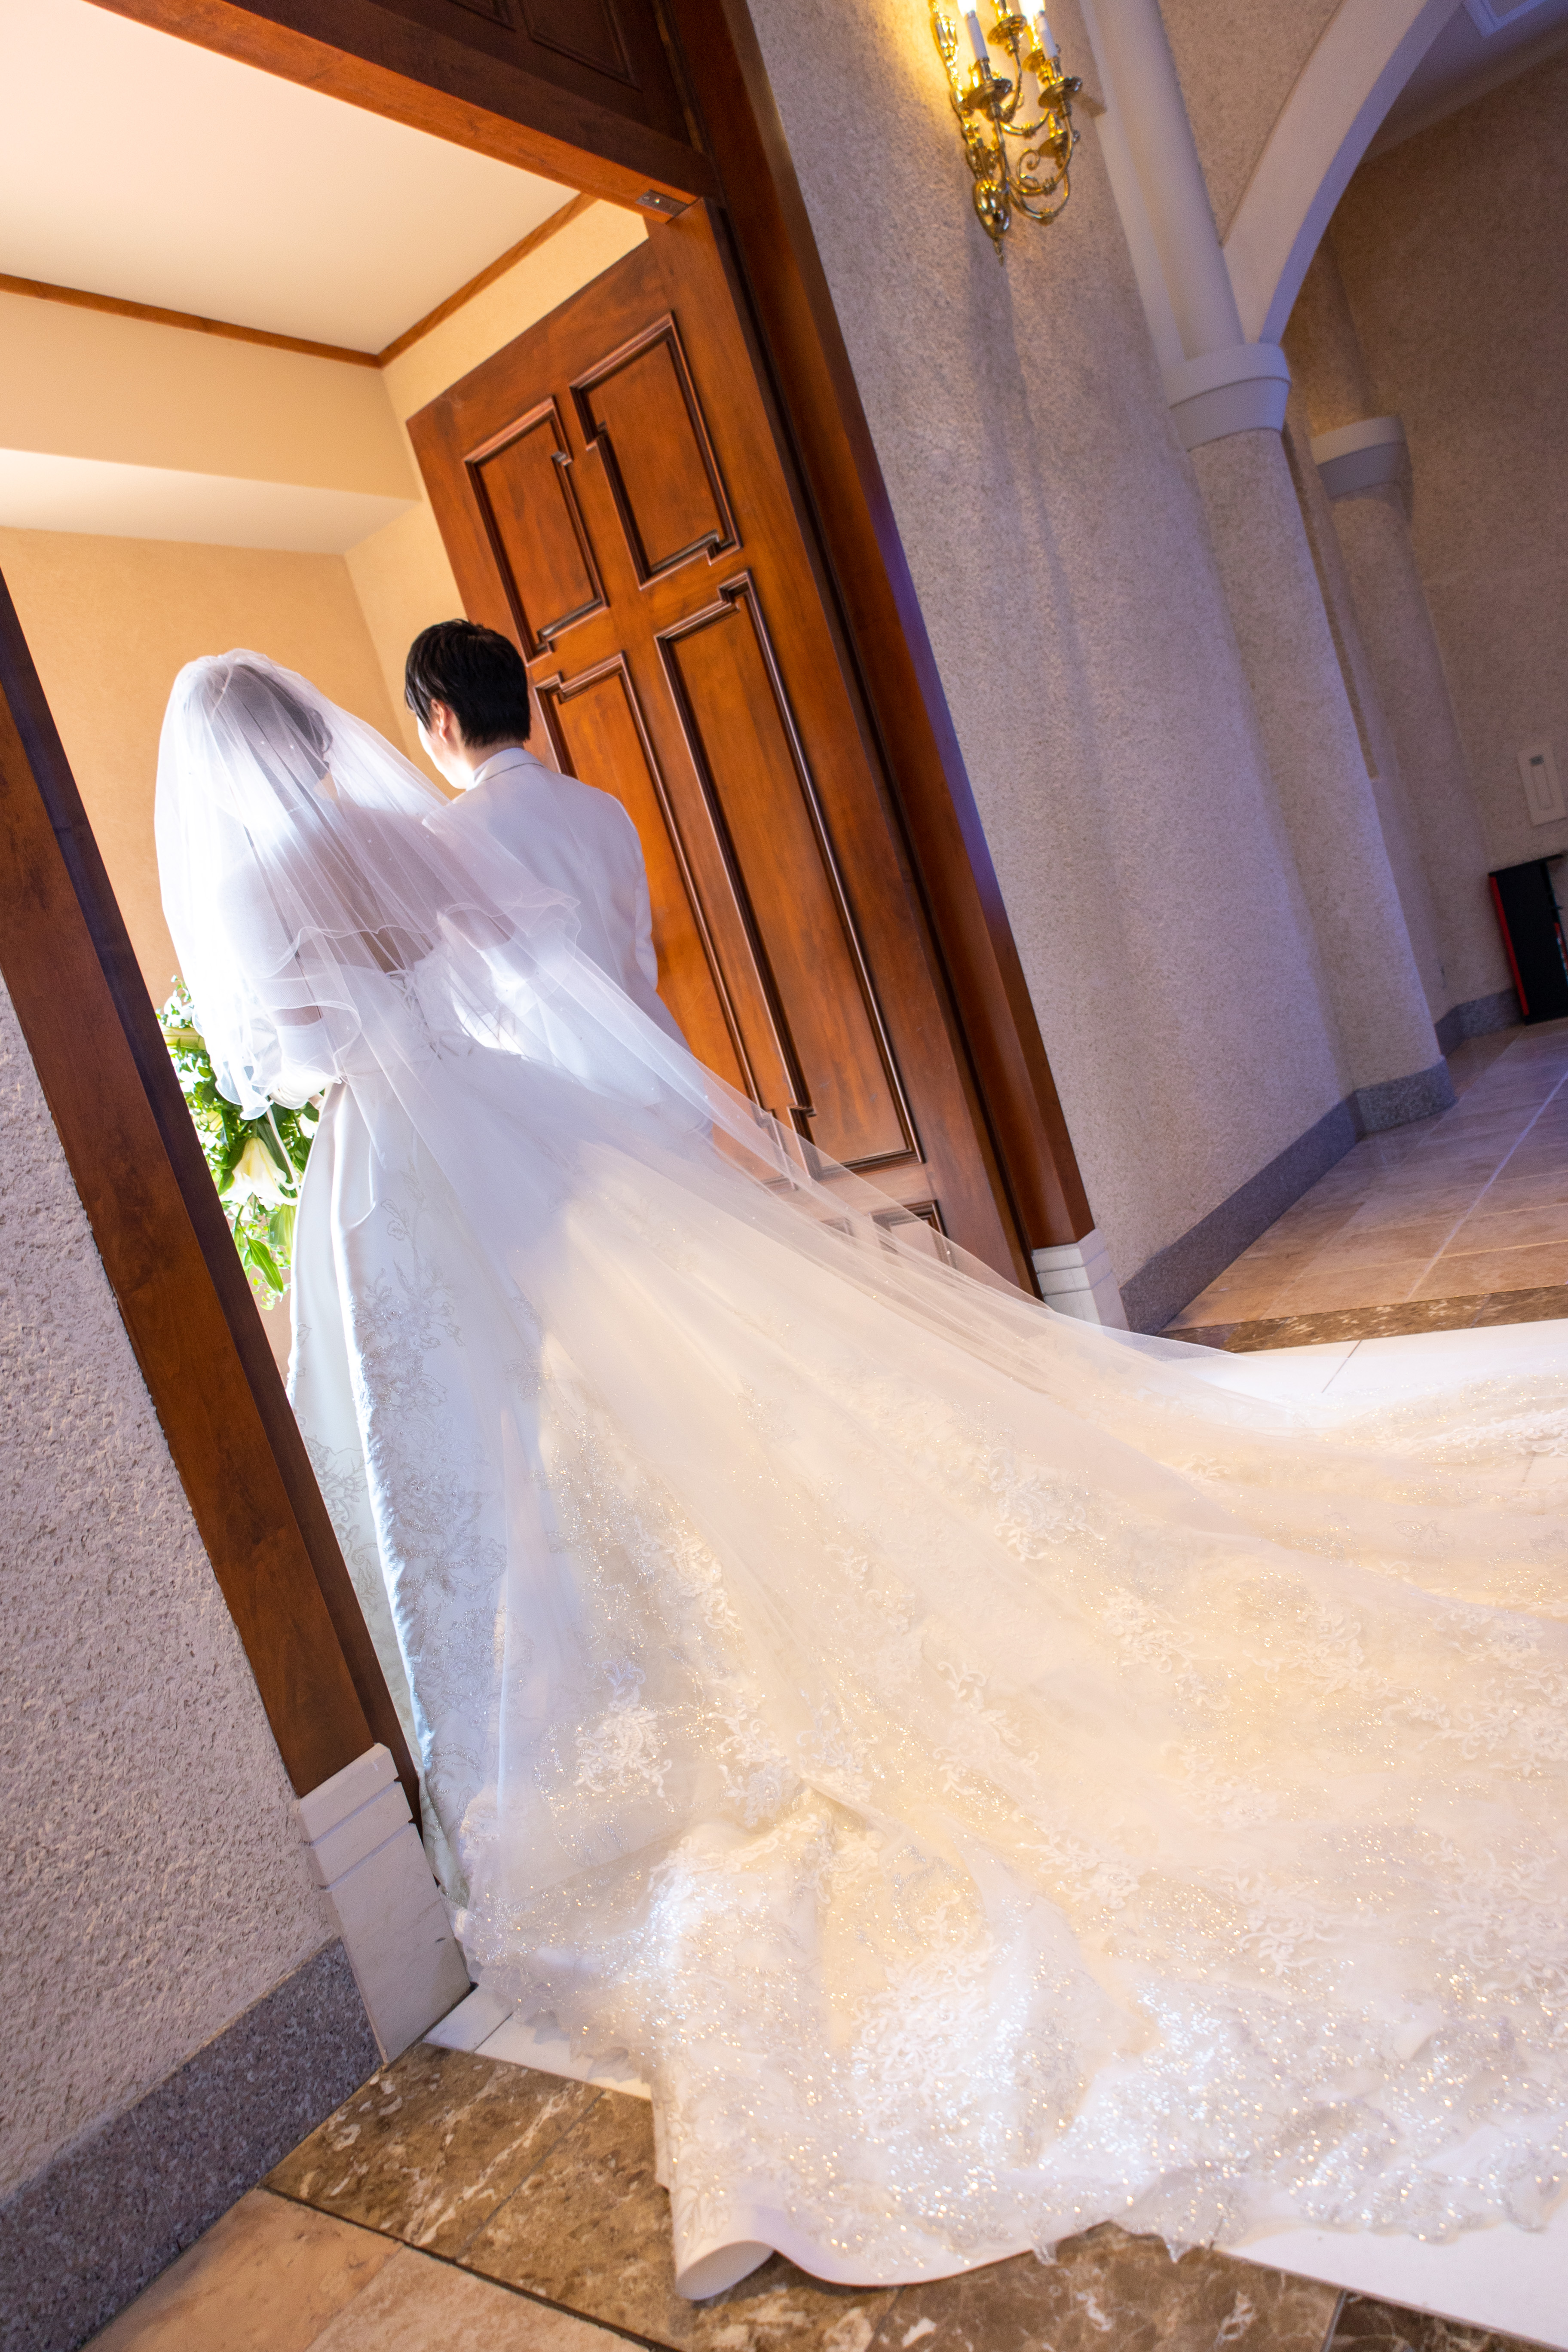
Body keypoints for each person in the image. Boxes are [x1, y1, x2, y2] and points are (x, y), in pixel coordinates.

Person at [156, 640, 1568, 2302]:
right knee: (623, 1418)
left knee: (496, 1442)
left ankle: (554, 1695)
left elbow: (272, 1053)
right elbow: (527, 964)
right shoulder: (458, 832)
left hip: (408, 1164)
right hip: (536, 1124)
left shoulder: (285, 870)